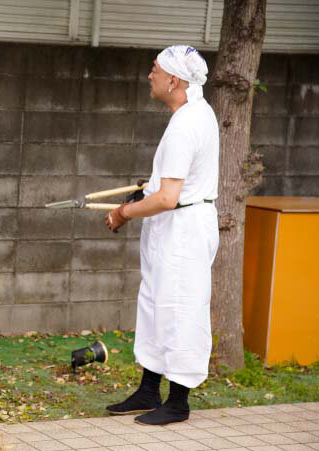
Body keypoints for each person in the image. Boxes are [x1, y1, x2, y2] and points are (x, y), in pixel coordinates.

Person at [104, 45, 219, 426]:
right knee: (155, 304)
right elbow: (171, 186)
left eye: (155, 69)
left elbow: (168, 198)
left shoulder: (186, 124)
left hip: (184, 231)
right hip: (176, 226)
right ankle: (149, 390)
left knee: (180, 308)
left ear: (173, 80)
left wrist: (123, 212)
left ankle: (178, 402)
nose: (149, 75)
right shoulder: (193, 114)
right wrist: (147, 189)